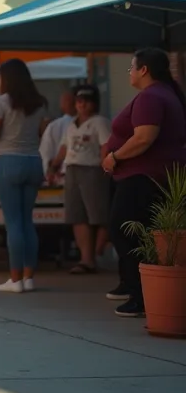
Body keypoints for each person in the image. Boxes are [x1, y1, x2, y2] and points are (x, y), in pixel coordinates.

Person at [102, 48, 186, 318]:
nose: (130, 72)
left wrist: (114, 156)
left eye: (132, 67)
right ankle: (135, 287)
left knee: (126, 231)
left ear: (144, 70)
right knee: (137, 233)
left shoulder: (152, 97)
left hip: (143, 176)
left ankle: (140, 295)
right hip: (150, 175)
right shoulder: (164, 94)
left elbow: (143, 137)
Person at [0, 59, 47, 293]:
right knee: (27, 220)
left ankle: (15, 279)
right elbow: (40, 133)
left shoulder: (2, 102)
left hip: (8, 161)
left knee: (13, 222)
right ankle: (29, 277)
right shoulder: (40, 103)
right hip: (33, 161)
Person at [48, 85, 112, 275]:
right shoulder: (71, 125)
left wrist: (105, 167)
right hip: (72, 169)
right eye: (79, 100)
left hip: (93, 170)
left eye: (87, 100)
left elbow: (105, 146)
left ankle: (97, 251)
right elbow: (64, 148)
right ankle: (86, 259)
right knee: (77, 216)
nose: (82, 104)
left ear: (94, 103)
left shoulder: (100, 122)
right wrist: (54, 166)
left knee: (99, 215)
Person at [39, 89, 76, 181]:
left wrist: (49, 171)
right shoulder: (88, 124)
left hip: (59, 177)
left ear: (62, 105)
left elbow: (45, 155)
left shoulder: (53, 126)